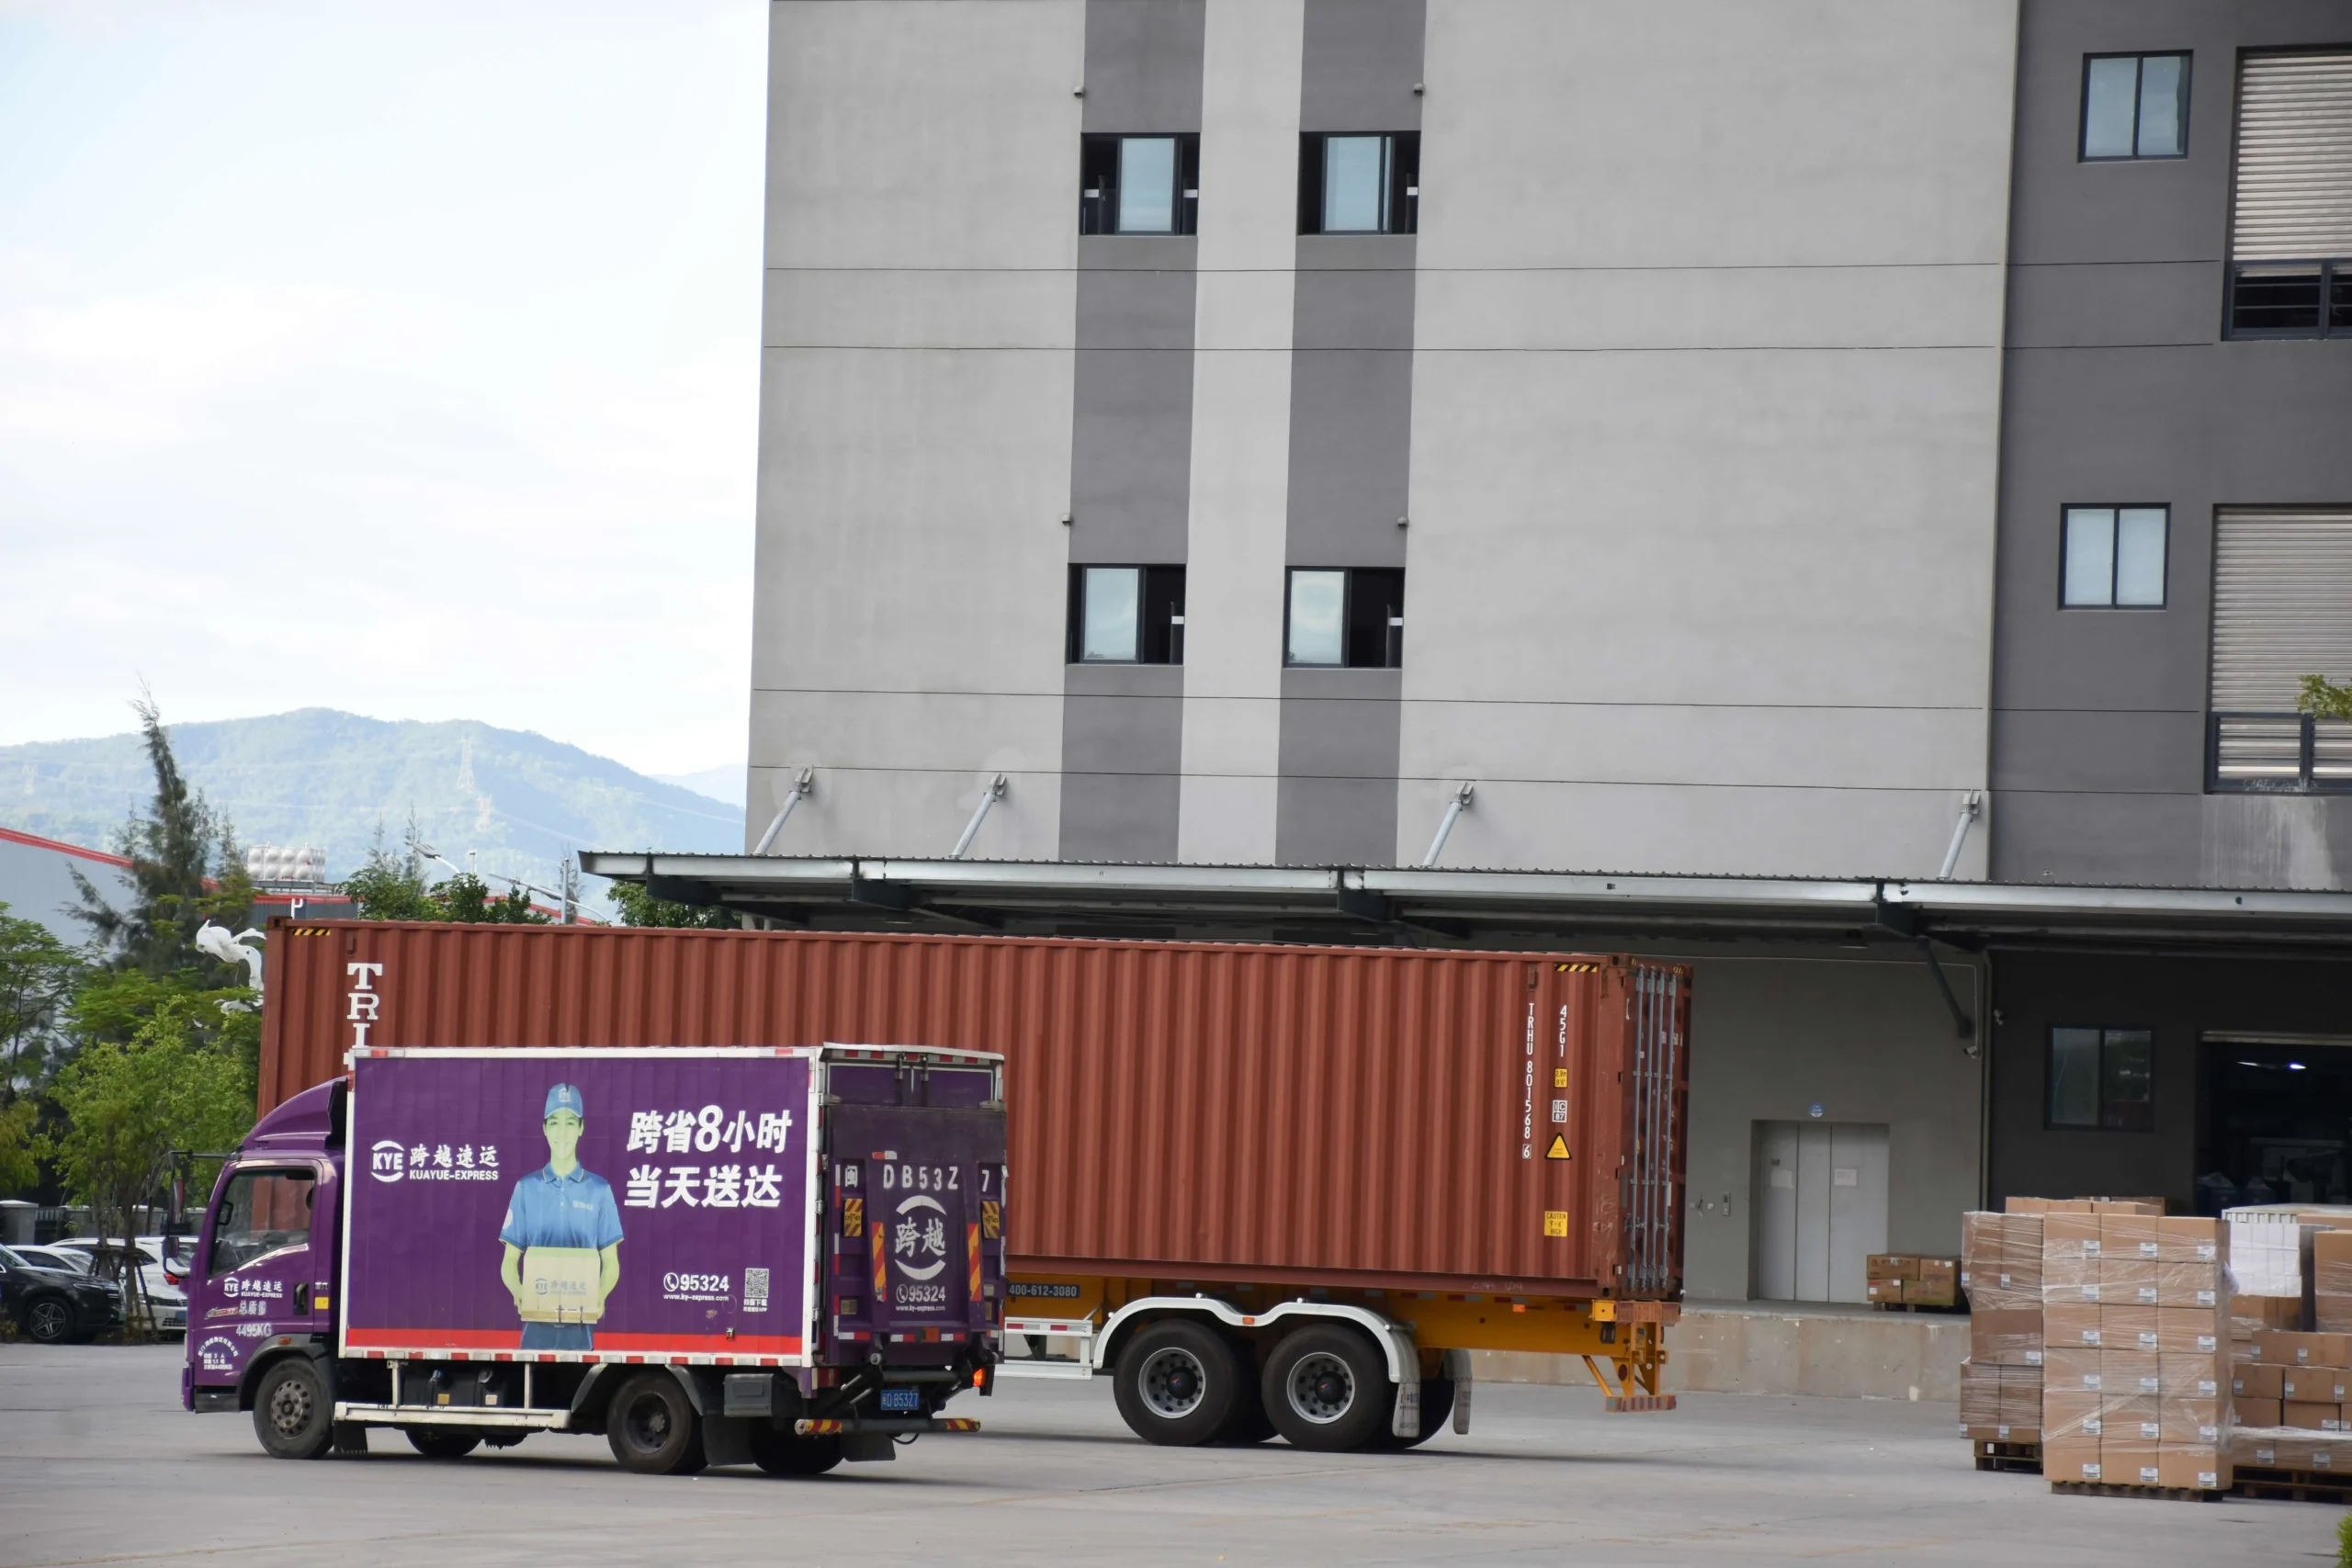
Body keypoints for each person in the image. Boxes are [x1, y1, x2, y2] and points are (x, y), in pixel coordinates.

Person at [498, 1083, 622, 1349]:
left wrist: (599, 1297)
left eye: (569, 1122)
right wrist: (520, 1294)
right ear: (544, 1129)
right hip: (535, 1329)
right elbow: (509, 1262)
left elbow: (610, 1262)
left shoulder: (600, 1191)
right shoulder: (526, 1189)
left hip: (580, 1326)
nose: (562, 1132)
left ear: (581, 1128)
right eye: (554, 1122)